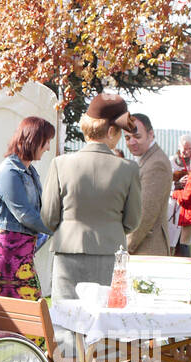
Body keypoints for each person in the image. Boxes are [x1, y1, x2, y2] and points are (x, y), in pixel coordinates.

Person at [40, 93, 142, 303]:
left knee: (67, 320)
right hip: (109, 250)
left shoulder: (60, 164)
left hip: (67, 249)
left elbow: (48, 217)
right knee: (104, 320)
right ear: (112, 130)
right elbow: (132, 221)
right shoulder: (129, 169)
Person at [0, 116, 56, 300]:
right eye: (46, 142)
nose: (48, 148)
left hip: (20, 254)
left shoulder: (30, 172)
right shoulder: (9, 171)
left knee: (29, 314)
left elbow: (39, 212)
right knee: (8, 317)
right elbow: (25, 215)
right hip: (3, 255)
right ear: (34, 140)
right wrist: (57, 229)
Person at [125, 113, 173, 256]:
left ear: (151, 134)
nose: (131, 142)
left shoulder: (156, 163)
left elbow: (146, 213)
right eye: (127, 138)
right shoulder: (148, 159)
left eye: (137, 136)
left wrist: (126, 248)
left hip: (148, 249)